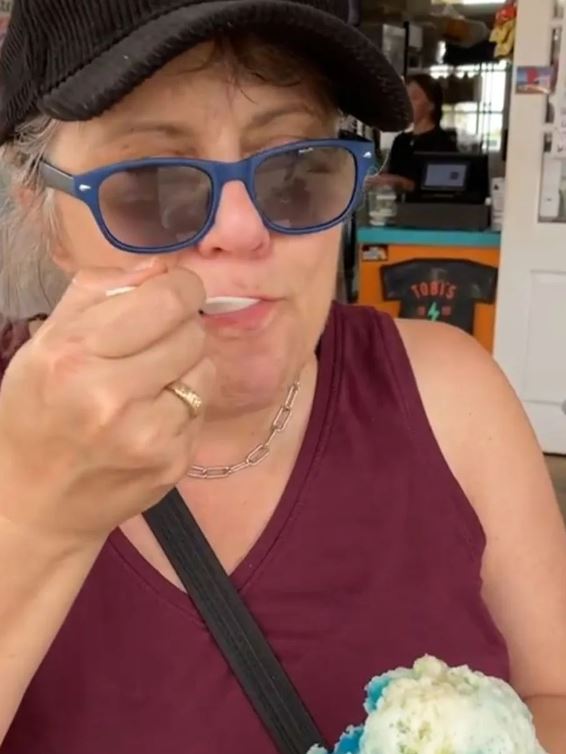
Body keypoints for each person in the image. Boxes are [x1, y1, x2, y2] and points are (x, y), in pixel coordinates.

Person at [0, 2, 564, 753]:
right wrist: (34, 523)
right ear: (44, 213)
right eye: (154, 181)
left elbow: (553, 690)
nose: (243, 229)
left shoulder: (450, 397)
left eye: (296, 166)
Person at [370, 73, 458, 194]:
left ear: (431, 106)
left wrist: (402, 183)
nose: (407, 103)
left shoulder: (443, 144)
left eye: (414, 97)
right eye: (406, 97)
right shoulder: (401, 141)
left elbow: (443, 189)